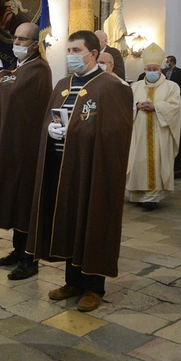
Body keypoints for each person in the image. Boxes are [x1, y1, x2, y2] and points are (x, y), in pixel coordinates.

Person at [27, 30, 133, 312]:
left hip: (93, 170)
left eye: (76, 51)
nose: (71, 55)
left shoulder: (112, 87)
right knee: (68, 223)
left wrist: (73, 131)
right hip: (62, 168)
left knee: (92, 222)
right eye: (69, 50)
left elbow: (117, 133)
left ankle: (93, 287)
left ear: (93, 54)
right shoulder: (63, 84)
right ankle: (72, 281)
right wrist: (50, 130)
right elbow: (51, 117)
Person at [0, 22, 53, 280]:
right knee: (14, 199)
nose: (17, 44)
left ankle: (29, 260)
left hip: (27, 149)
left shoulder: (39, 69)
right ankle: (17, 250)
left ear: (35, 44)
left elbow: (12, 89)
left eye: (23, 40)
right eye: (16, 39)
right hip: (14, 145)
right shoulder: (21, 67)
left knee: (25, 203)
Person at [126, 43, 181, 210]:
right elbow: (126, 105)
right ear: (144, 69)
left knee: (156, 161)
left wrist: (156, 107)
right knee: (137, 160)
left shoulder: (172, 87)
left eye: (154, 69)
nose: (151, 72)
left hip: (159, 131)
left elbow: (175, 107)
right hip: (139, 131)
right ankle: (136, 194)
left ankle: (153, 197)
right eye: (148, 69)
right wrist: (137, 105)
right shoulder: (135, 87)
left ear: (160, 70)